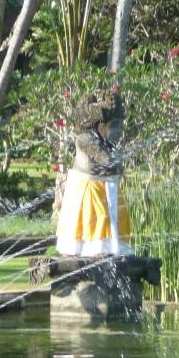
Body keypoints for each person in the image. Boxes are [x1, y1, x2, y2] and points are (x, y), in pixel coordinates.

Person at [56, 87, 133, 257]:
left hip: (106, 188)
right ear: (100, 124)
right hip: (88, 190)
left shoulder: (105, 142)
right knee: (98, 219)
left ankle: (111, 248)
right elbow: (106, 160)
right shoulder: (85, 139)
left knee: (116, 217)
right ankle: (94, 249)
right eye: (115, 125)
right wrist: (117, 160)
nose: (119, 130)